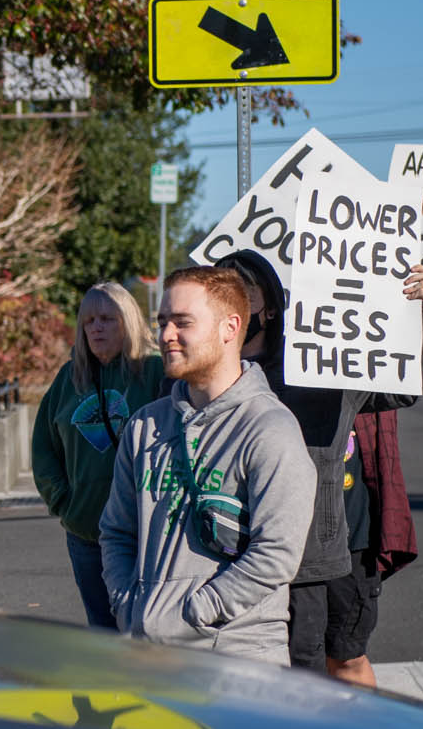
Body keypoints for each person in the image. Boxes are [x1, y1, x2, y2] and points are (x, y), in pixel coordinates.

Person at [214, 248, 423, 675]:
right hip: (233, 556)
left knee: (322, 669)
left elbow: (399, 388)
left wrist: (413, 311)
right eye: (221, 295)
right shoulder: (201, 380)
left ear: (270, 309)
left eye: (244, 293)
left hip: (314, 556)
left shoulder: (312, 367)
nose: (232, 304)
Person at [99, 266, 314, 662]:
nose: (165, 335)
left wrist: (195, 613)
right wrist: (128, 605)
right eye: (162, 322)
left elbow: (276, 555)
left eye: (182, 322)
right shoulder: (145, 425)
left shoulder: (270, 429)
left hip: (237, 663)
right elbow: (116, 532)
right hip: (149, 655)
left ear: (230, 327)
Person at [31, 282, 166, 629]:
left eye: (107, 318)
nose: (96, 328)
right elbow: (44, 447)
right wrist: (64, 503)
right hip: (86, 533)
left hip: (144, 533)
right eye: (88, 321)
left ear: (130, 322)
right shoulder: (68, 378)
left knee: (147, 632)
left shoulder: (154, 371)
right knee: (102, 635)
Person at [315, 408, 418, 688]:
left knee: (346, 655)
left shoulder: (368, 386)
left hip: (351, 539)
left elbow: (405, 382)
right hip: (282, 539)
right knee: (296, 657)